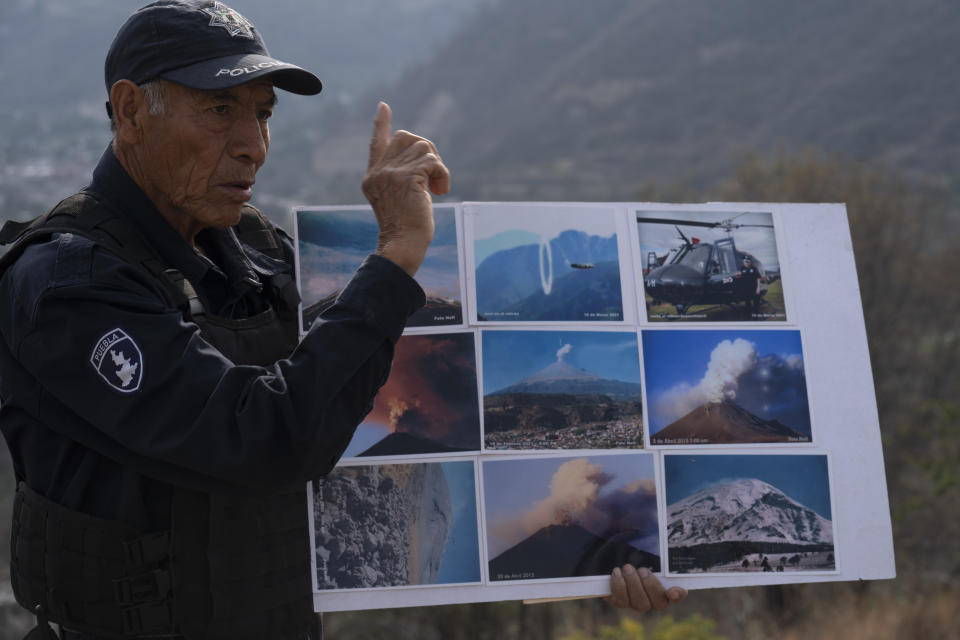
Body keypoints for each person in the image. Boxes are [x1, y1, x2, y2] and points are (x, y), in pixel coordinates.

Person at [0, 2, 683, 638]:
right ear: (129, 112)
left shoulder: (258, 250)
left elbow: (377, 389)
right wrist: (395, 257)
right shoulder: (69, 286)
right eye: (218, 111)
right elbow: (264, 439)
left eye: (263, 114)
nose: (253, 146)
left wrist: (604, 552)